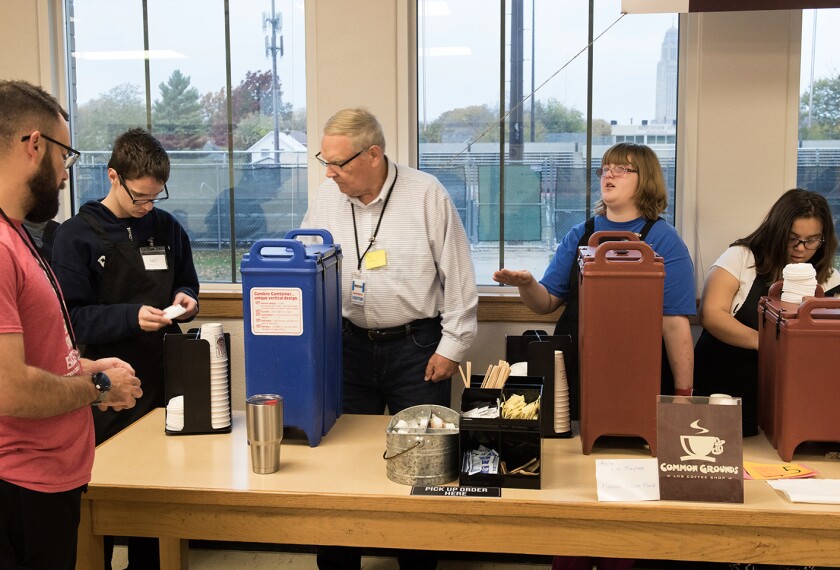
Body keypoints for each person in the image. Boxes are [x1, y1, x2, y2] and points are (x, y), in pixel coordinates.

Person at [493, 142, 696, 570]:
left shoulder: (665, 239)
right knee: (575, 492)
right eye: (606, 168)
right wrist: (526, 283)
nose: (610, 174)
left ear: (647, 180)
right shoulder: (579, 233)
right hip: (578, 381)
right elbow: (547, 303)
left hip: (638, 386)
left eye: (623, 169)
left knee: (626, 497)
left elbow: (674, 323)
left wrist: (681, 395)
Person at [301, 107, 478, 570]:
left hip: (416, 350)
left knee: (422, 468)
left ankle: (416, 564)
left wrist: (451, 347)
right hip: (348, 348)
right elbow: (303, 268)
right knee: (342, 464)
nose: (331, 172)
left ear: (374, 153)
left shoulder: (425, 195)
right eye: (326, 160)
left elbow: (458, 276)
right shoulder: (325, 198)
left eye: (339, 162)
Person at [0, 79, 142, 570]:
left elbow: (37, 353)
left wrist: (81, 365)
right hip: (18, 486)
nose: (65, 172)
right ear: (34, 144)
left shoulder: (18, 236)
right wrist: (97, 385)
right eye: (65, 155)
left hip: (50, 480)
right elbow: (10, 389)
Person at [50, 127, 199, 569]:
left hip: (164, 379)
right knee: (109, 500)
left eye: (156, 197)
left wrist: (186, 301)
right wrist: (129, 316)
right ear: (113, 177)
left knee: (158, 499)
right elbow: (71, 319)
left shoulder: (166, 227)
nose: (147, 206)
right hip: (105, 386)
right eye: (139, 197)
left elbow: (186, 281)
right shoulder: (76, 237)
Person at [694, 188, 840, 437]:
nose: (801, 249)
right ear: (776, 231)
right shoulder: (741, 258)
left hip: (790, 397)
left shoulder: (830, 281)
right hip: (726, 386)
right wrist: (767, 343)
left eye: (812, 240)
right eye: (792, 238)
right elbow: (711, 314)